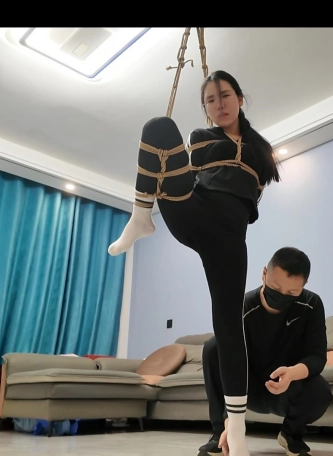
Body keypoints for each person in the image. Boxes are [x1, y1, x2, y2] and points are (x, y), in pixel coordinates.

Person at [107, 70, 281, 456]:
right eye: (210, 100)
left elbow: (256, 195)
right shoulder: (201, 137)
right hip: (194, 211)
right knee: (158, 126)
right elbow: (186, 175)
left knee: (229, 328)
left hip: (229, 238)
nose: (219, 104)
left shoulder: (261, 149)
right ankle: (140, 217)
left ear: (239, 98)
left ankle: (235, 430)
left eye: (225, 95)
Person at [198, 247, 333, 456]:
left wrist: (292, 373)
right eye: (275, 287)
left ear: (304, 285)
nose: (281, 296)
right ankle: (219, 434)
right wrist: (230, 424)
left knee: (320, 390)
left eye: (291, 293)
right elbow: (229, 365)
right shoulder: (242, 308)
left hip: (286, 387)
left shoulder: (311, 305)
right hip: (246, 387)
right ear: (264, 273)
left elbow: (317, 356)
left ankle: (291, 435)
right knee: (213, 347)